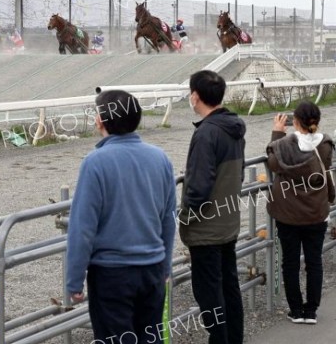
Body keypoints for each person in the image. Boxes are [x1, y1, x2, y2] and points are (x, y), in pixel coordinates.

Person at [66, 90, 176, 344]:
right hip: (152, 269)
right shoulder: (160, 158)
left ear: (101, 122)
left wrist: (74, 281)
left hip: (111, 274)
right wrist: (166, 266)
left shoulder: (95, 162)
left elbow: (83, 227)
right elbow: (169, 219)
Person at [179, 70, 246, 344]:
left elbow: (198, 187)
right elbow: (238, 174)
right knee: (229, 287)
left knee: (209, 295)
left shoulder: (206, 133)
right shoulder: (234, 127)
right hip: (228, 222)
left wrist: (185, 217)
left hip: (206, 229)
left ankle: (219, 340)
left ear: (195, 96)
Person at [266, 101, 335, 325]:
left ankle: (296, 311)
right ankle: (311, 311)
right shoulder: (325, 144)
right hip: (317, 213)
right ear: (317, 121)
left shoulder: (284, 144)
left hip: (288, 215)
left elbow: (274, 164)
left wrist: (277, 132)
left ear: (294, 121)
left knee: (291, 262)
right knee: (314, 261)